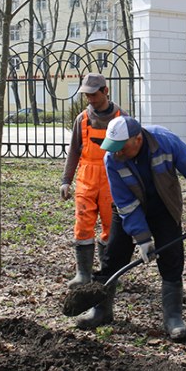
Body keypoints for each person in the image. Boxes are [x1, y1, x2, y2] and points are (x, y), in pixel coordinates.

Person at [75, 115, 186, 342]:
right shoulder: (112, 159)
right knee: (113, 257)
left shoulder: (165, 141)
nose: (116, 152)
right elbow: (126, 205)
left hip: (164, 205)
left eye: (121, 147)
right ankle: (101, 310)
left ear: (137, 139)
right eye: (113, 148)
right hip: (128, 208)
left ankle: (173, 319)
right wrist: (142, 238)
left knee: (171, 258)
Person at [60, 72, 124, 287]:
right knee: (83, 224)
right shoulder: (82, 119)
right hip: (86, 180)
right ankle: (83, 274)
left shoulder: (121, 118)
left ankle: (109, 274)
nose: (90, 99)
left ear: (105, 91)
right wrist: (66, 180)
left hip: (112, 182)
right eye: (87, 95)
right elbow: (73, 152)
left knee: (111, 228)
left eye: (94, 95)